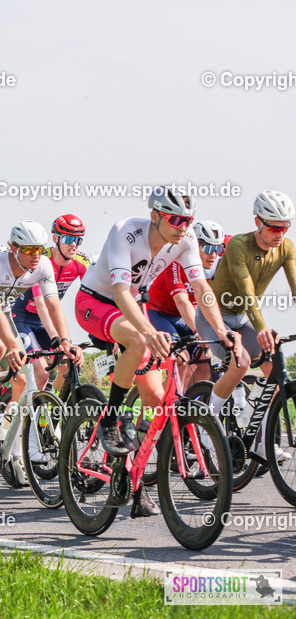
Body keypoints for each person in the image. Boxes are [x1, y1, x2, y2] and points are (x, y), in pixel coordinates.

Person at [75, 186, 240, 517]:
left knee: (153, 400)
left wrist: (221, 331)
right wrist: (149, 332)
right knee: (138, 340)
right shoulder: (126, 232)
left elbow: (201, 288)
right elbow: (121, 291)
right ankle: (109, 417)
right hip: (96, 301)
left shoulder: (186, 239)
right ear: (155, 216)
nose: (183, 226)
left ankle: (133, 481)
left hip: (133, 308)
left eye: (188, 220)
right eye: (176, 219)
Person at [0, 221, 82, 484]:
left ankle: (7, 432)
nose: (36, 255)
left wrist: (64, 340)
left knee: (22, 378)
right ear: (14, 248)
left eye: (40, 249)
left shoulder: (42, 266)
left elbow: (53, 303)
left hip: (3, 315)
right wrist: (11, 345)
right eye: (29, 249)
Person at [196, 190, 296, 464]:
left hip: (242, 318)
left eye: (285, 227)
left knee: (274, 369)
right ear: (257, 222)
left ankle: (264, 443)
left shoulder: (286, 247)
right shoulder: (238, 245)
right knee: (240, 363)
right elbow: (247, 291)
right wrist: (263, 327)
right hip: (213, 315)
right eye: (274, 227)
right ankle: (210, 420)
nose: (280, 233)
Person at [9, 214, 90, 389]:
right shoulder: (42, 260)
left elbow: (94, 297)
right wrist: (58, 339)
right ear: (55, 239)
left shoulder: (81, 262)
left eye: (78, 240)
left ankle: (51, 406)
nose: (74, 245)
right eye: (69, 239)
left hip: (45, 323)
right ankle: (21, 411)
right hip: (23, 318)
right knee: (42, 372)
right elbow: (42, 305)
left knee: (68, 366)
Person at [145, 220, 226, 388]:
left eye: (218, 249)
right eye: (209, 249)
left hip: (179, 318)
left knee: (205, 359)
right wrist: (199, 331)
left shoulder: (210, 268)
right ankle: (163, 408)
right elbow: (182, 302)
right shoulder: (175, 260)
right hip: (156, 313)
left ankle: (189, 408)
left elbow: (201, 305)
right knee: (181, 361)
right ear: (196, 246)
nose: (214, 255)